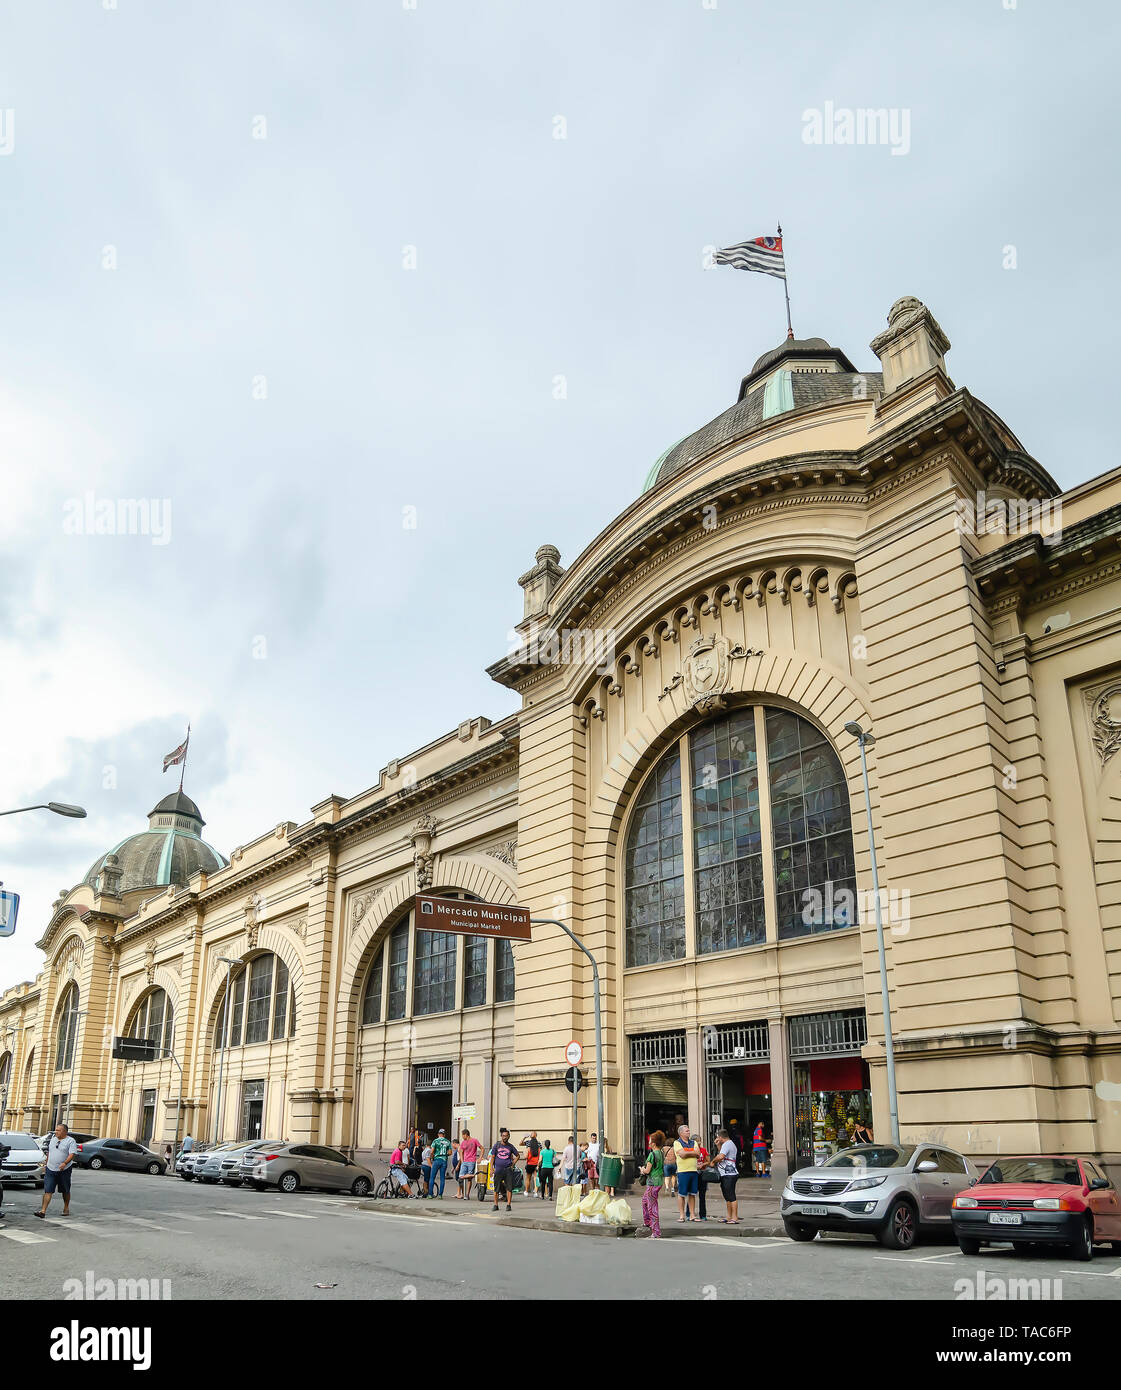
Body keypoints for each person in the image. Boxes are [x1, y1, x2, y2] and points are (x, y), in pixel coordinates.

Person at [35, 1123, 77, 1219]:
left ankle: (66, 1208)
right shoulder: (53, 1140)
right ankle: (43, 1211)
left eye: (59, 1130)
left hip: (64, 1170)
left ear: (65, 1132)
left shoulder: (71, 1141)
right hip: (51, 1168)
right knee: (48, 1190)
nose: (56, 1132)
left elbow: (72, 1154)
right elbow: (50, 1152)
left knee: (65, 1190)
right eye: (56, 1130)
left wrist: (65, 1163)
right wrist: (46, 1163)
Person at [640, 1129, 665, 1238]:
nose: (649, 1143)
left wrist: (642, 1169)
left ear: (654, 1144)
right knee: (645, 1201)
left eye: (650, 1141)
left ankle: (656, 1232)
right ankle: (647, 1222)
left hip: (652, 1183)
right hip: (658, 1181)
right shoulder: (661, 1153)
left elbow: (647, 1171)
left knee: (652, 1206)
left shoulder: (652, 1154)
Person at [673, 1124, 700, 1223]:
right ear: (680, 1133)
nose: (689, 1132)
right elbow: (682, 1155)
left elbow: (698, 1154)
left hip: (693, 1171)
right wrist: (692, 1152)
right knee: (682, 1194)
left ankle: (692, 1215)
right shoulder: (677, 1143)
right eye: (686, 1131)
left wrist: (687, 1152)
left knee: (692, 1194)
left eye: (689, 1130)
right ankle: (682, 1215)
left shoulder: (693, 1142)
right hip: (683, 1171)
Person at [489, 1127, 519, 1213]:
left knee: (509, 1188)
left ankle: (508, 1205)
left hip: (508, 1170)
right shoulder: (497, 1145)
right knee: (496, 1188)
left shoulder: (510, 1146)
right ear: (501, 1136)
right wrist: (491, 1169)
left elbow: (517, 1156)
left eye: (506, 1136)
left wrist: (513, 1164)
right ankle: (495, 1205)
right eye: (503, 1136)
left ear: (508, 1136)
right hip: (498, 1170)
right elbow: (492, 1157)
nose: (504, 1137)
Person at [715, 1128, 740, 1223]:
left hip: (729, 1174)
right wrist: (718, 1145)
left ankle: (734, 1217)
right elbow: (722, 1153)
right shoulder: (728, 1144)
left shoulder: (727, 1144)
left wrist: (713, 1162)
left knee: (731, 1196)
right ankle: (729, 1217)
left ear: (721, 1137)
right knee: (728, 1197)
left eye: (718, 1137)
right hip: (727, 1173)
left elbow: (721, 1156)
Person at [458, 1128, 481, 1199]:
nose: (462, 1137)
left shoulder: (474, 1140)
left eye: (462, 1135)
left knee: (469, 1179)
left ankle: (467, 1194)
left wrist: (480, 1158)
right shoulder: (463, 1142)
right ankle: (473, 1175)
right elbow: (461, 1151)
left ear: (466, 1134)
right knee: (460, 1178)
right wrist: (462, 1160)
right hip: (465, 1162)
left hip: (472, 1161)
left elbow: (482, 1148)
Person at [430, 1128, 451, 1197]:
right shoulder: (448, 1141)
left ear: (438, 1134)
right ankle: (440, 1195)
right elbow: (450, 1152)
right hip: (444, 1160)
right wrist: (445, 1154)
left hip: (436, 1160)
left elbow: (432, 1151)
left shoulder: (435, 1141)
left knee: (432, 1177)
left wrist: (432, 1157)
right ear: (444, 1134)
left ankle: (430, 1194)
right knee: (442, 1178)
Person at [524, 1130, 541, 1198]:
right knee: (536, 1178)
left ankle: (526, 1191)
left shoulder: (528, 1147)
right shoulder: (539, 1146)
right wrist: (538, 1164)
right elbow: (540, 1156)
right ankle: (536, 1193)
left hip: (529, 1164)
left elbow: (526, 1156)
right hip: (536, 1164)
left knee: (528, 1178)